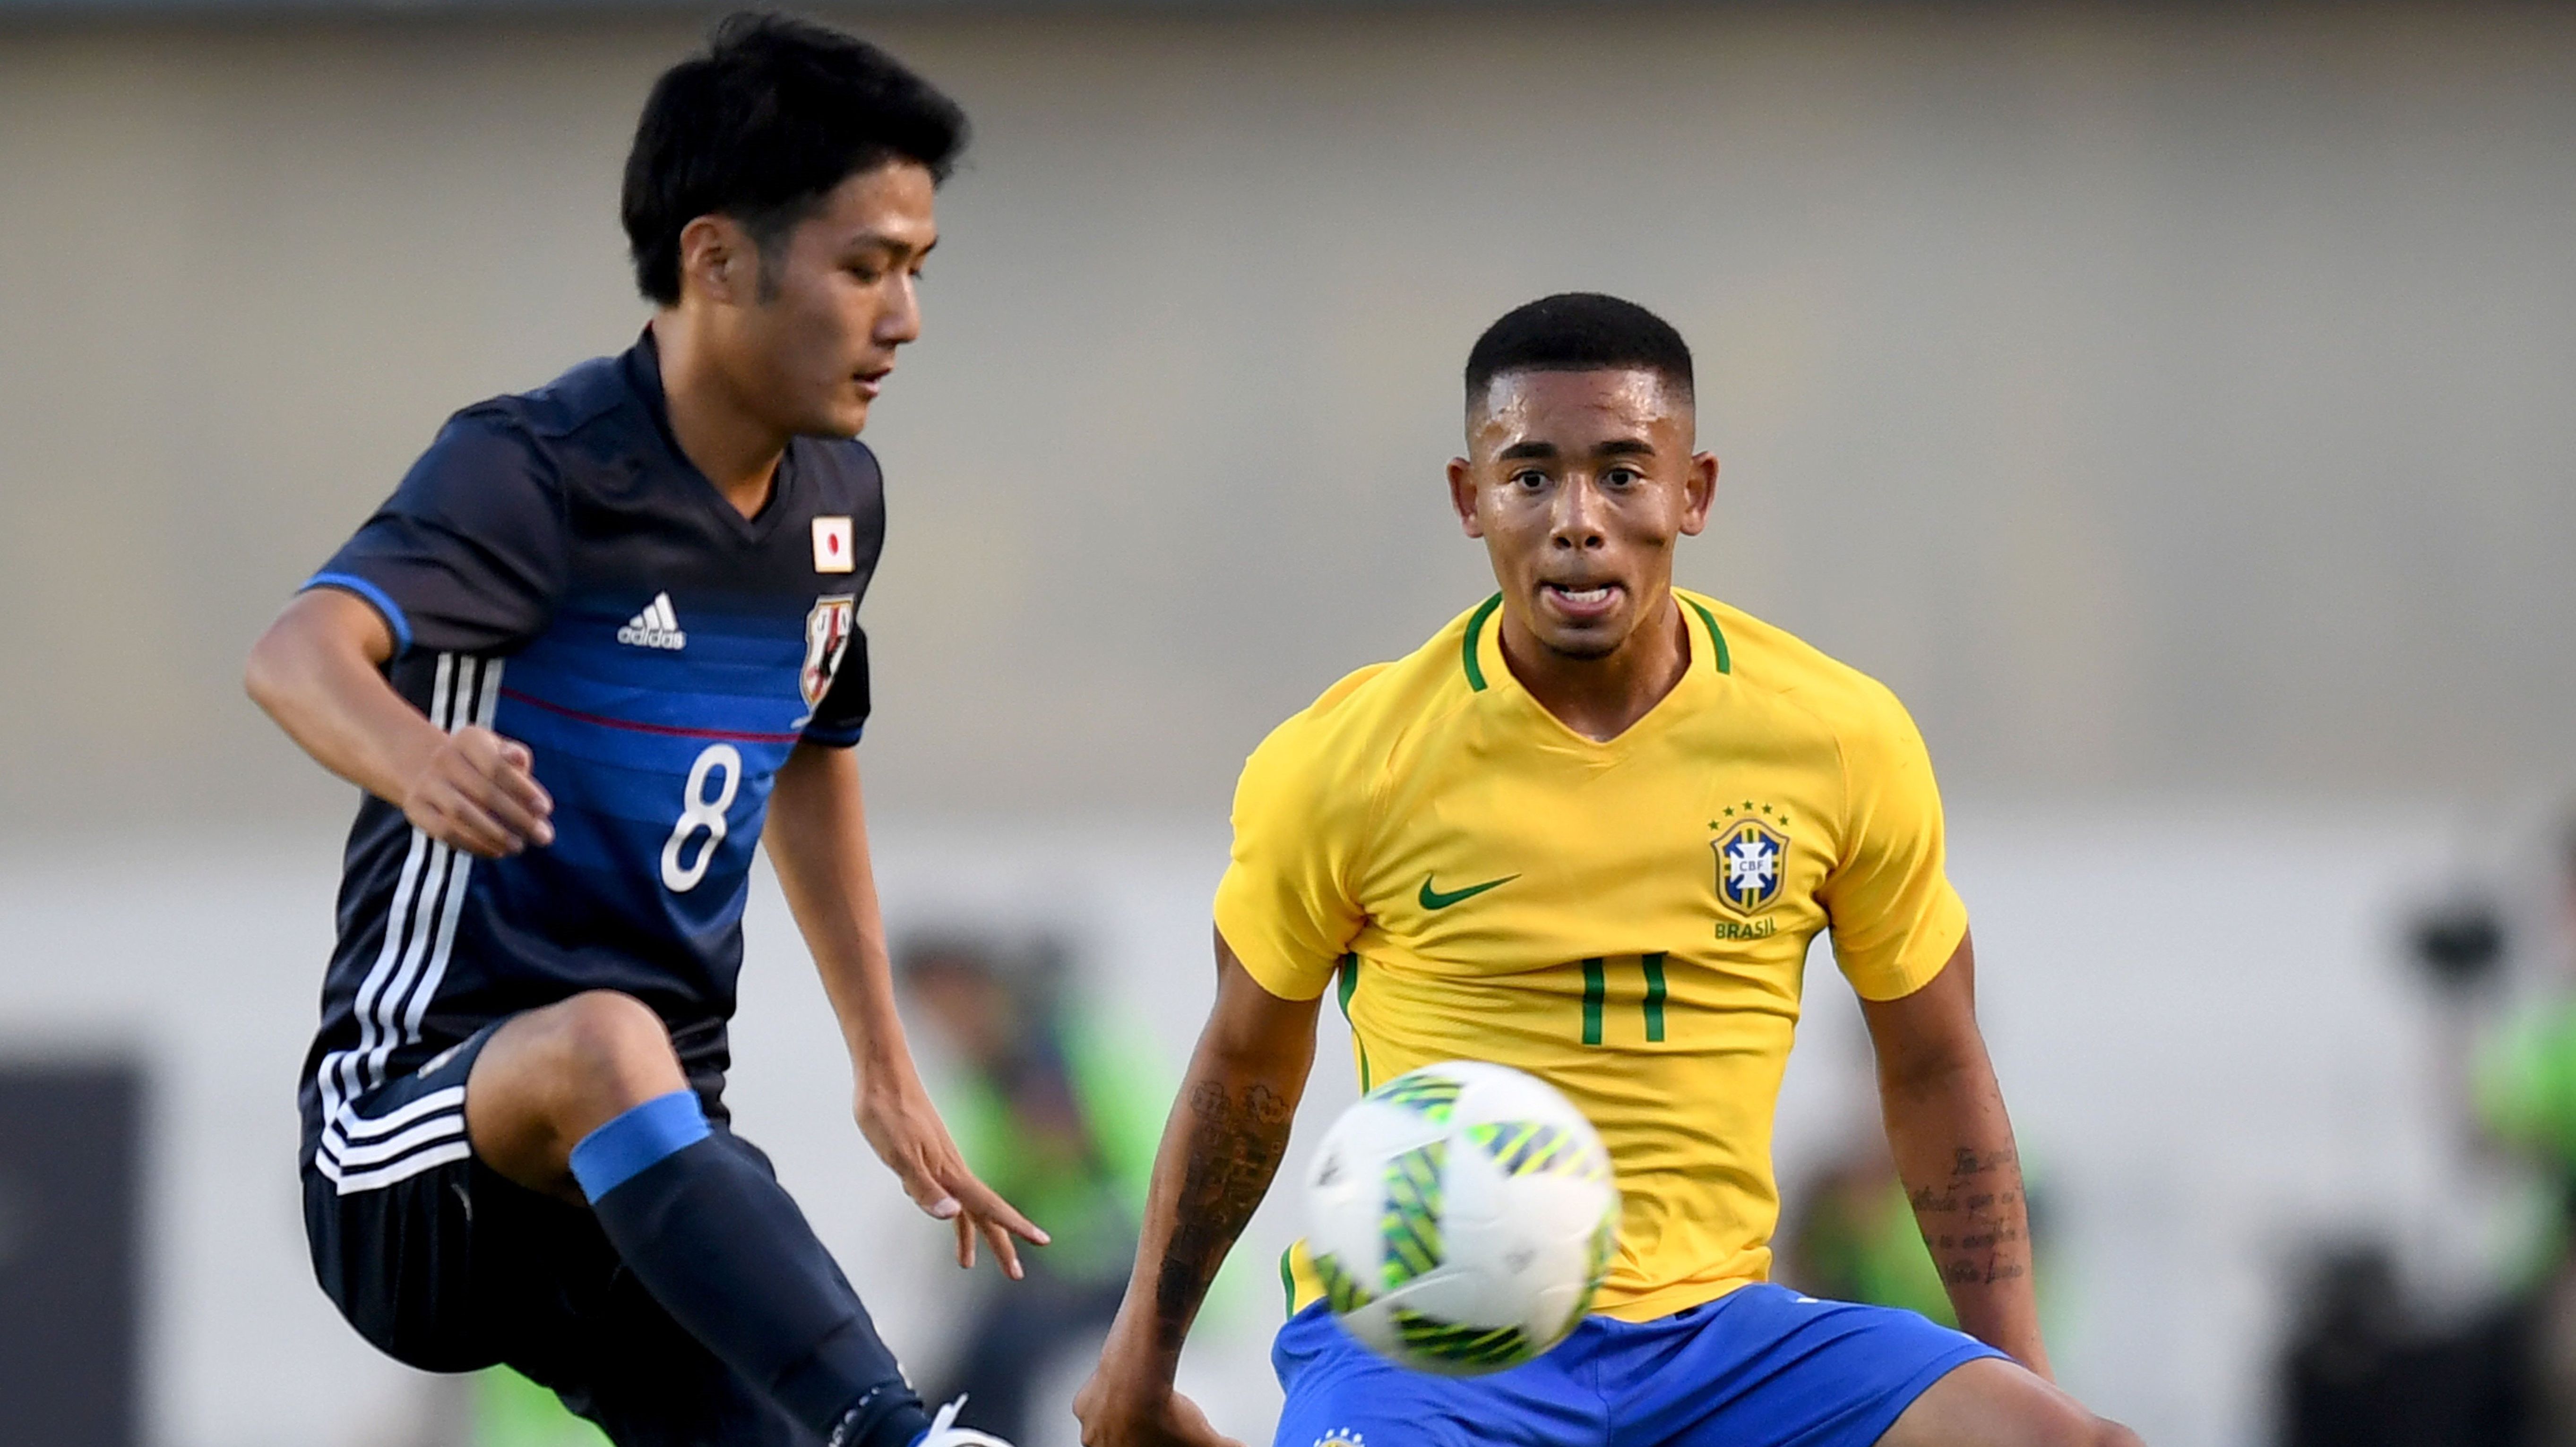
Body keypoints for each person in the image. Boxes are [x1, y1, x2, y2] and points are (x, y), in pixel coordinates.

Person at [1074, 294, 2142, 1447]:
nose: (1576, 520)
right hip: (1424, 1340)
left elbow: (1932, 1057)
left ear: (1693, 491)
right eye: (1528, 476)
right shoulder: (1344, 761)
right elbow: (1243, 1067)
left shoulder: (1835, 737)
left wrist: (2024, 1376)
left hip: (1719, 1342)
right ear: (1466, 495)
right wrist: (1142, 1356)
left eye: (1622, 474)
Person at [242, 17, 1044, 1447]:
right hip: (416, 1146)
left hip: (644, 1166)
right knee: (611, 1042)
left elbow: (812, 748)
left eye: (917, 270)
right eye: (865, 266)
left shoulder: (837, 502)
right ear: (716, 257)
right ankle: (906, 1435)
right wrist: (417, 754)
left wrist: (880, 1061)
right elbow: (297, 654)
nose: (904, 316)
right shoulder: (533, 470)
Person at [900, 935, 1165, 1440]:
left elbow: (1058, 1152)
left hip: (1126, 1258)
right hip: (1079, 1256)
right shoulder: (1015, 1054)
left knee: (1002, 1355)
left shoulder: (1035, 1052)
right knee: (967, 1369)